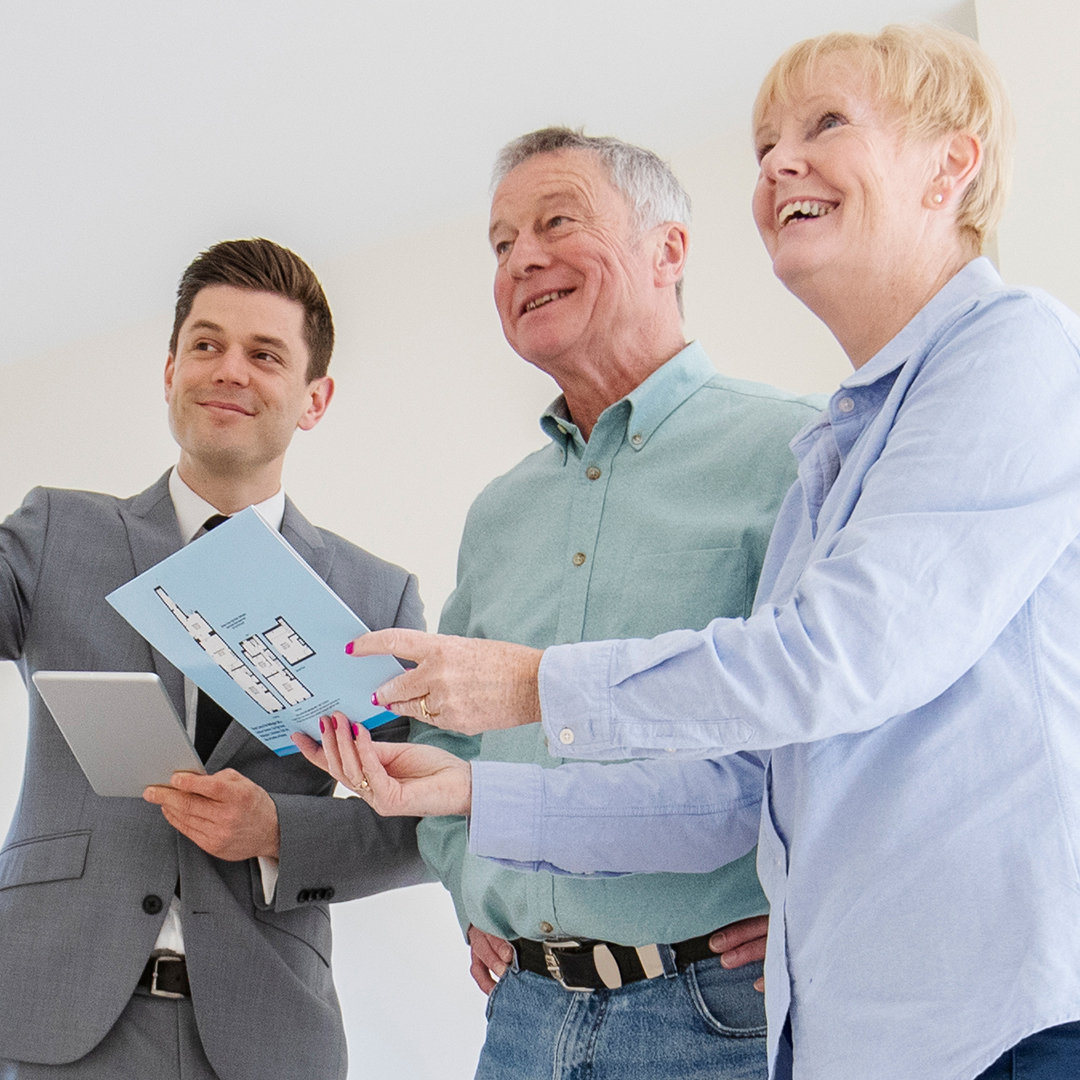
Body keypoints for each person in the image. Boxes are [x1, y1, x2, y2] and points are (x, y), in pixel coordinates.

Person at [301, 25, 1080, 1080]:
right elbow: (736, 788)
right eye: (765, 147)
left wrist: (535, 684)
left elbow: (841, 655)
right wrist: (469, 797)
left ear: (952, 165)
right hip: (858, 1036)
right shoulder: (835, 455)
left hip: (997, 1022)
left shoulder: (1011, 349)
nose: (779, 164)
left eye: (824, 124)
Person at [410, 127, 821, 1080]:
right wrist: (471, 885)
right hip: (523, 1014)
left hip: (718, 1017)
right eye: (502, 244)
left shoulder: (794, 452)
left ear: (668, 250)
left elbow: (845, 717)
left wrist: (817, 896)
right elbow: (442, 735)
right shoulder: (499, 512)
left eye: (558, 222)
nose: (522, 259)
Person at [0, 238, 427, 1080]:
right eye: (206, 344)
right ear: (171, 373)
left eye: (265, 355)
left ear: (314, 399)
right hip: (53, 1015)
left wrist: (277, 831)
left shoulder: (376, 598)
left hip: (267, 1037)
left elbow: (428, 823)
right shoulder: (56, 536)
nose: (229, 370)